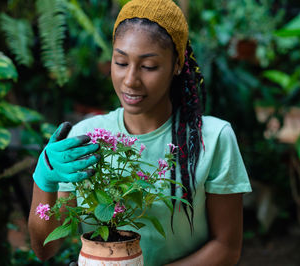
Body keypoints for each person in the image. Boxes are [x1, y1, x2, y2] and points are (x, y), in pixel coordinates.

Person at [28, 0, 252, 265]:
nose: (131, 80)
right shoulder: (85, 137)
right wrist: (45, 179)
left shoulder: (213, 139)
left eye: (148, 67)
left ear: (177, 64)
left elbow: (226, 248)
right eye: (121, 62)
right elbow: (45, 250)